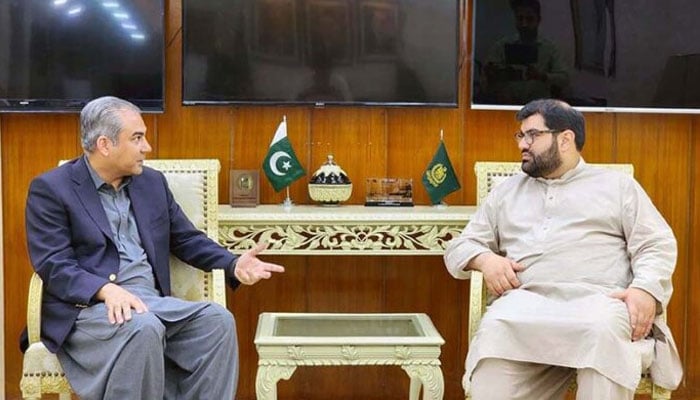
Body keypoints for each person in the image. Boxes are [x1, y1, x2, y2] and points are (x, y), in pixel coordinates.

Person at [22, 96, 285, 399]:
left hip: (148, 303)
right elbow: (54, 264)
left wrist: (233, 263)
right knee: (143, 327)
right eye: (137, 138)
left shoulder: (152, 183)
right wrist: (105, 290)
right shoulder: (52, 189)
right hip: (88, 311)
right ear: (105, 144)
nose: (147, 146)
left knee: (217, 321)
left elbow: (186, 239)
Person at [444, 99, 682, 399]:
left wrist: (645, 290)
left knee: (603, 329)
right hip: (525, 307)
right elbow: (460, 245)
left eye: (532, 135)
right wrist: (484, 259)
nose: (522, 145)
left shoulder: (617, 186)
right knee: (495, 329)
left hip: (597, 302)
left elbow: (656, 243)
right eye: (520, 136)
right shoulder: (506, 190)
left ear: (565, 139)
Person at [477, 0, 569, 105]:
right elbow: (484, 81)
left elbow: (565, 79)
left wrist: (541, 76)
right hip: (506, 108)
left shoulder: (549, 48)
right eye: (520, 18)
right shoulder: (501, 46)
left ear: (538, 20)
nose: (524, 24)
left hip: (538, 110)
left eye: (529, 19)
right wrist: (493, 75)